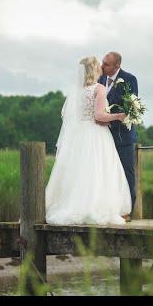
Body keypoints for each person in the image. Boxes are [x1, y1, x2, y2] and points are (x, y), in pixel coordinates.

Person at [45, 56, 132, 225]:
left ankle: (73, 204)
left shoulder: (76, 92)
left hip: (79, 136)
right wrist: (119, 116)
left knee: (79, 170)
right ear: (94, 70)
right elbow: (99, 116)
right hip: (96, 134)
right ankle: (94, 207)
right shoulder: (98, 89)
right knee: (99, 169)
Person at [98, 51, 138, 222]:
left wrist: (111, 118)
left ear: (117, 66)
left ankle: (127, 211)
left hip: (122, 136)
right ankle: (109, 209)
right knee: (106, 173)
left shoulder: (129, 79)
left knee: (126, 172)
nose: (102, 66)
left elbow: (131, 107)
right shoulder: (99, 79)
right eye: (103, 62)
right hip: (102, 136)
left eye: (106, 64)